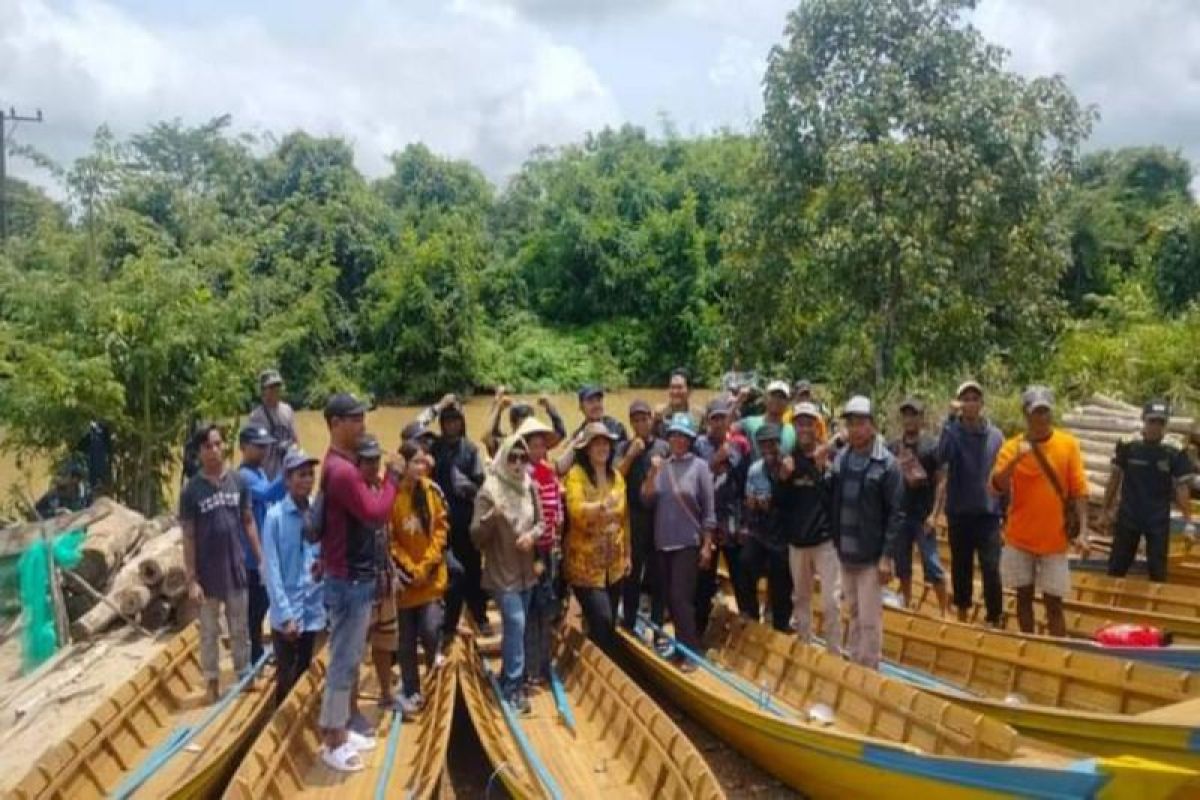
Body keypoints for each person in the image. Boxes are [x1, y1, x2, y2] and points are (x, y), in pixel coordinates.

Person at [317, 393, 401, 773]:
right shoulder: (342, 471)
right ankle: (332, 739)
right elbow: (375, 513)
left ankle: (340, 730)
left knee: (348, 661)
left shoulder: (342, 465)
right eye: (354, 419)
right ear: (335, 423)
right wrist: (394, 480)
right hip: (349, 581)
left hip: (352, 577)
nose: (362, 424)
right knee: (342, 663)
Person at [990, 387, 1089, 637]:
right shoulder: (1012, 447)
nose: (1042, 417)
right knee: (1023, 597)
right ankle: (1029, 643)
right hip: (1019, 538)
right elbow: (995, 486)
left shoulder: (1068, 445)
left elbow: (1079, 491)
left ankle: (1057, 648)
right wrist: (1016, 460)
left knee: (1054, 602)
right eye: (1037, 412)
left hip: (1055, 540)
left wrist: (1084, 532)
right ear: (1026, 414)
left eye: (1045, 410)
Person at [180, 424, 264, 704]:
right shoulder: (191, 491)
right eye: (207, 446)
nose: (214, 450)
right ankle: (212, 682)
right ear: (199, 452)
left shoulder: (238, 481)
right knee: (209, 632)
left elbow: (248, 521)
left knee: (240, 627)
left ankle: (244, 674)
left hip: (236, 568)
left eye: (218, 444)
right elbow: (189, 536)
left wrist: (261, 559)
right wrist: (191, 579)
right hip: (207, 575)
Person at [830, 396, 904, 669]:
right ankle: (855, 662)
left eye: (860, 423)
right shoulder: (841, 459)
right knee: (854, 613)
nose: (855, 429)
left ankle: (869, 667)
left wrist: (887, 557)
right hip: (846, 553)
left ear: (872, 426)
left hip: (871, 556)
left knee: (871, 620)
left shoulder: (887, 464)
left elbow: (896, 515)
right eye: (850, 423)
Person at [471, 434, 542, 713]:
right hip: (501, 573)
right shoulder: (489, 491)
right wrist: (492, 517)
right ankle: (513, 688)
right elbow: (475, 536)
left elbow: (542, 523)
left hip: (527, 572)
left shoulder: (530, 486)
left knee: (517, 629)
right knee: (516, 623)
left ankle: (506, 675)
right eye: (512, 457)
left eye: (522, 457)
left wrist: (532, 536)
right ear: (502, 458)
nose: (517, 463)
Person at [641, 414, 715, 668]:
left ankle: (691, 652)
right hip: (663, 543)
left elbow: (709, 511)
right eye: (674, 436)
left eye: (683, 436)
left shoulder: (700, 468)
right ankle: (681, 648)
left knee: (680, 597)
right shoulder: (663, 467)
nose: (678, 440)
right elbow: (647, 499)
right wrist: (652, 473)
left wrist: (707, 545)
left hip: (688, 543)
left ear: (690, 439)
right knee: (671, 600)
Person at [416, 395, 488, 638]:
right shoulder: (433, 447)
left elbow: (482, 487)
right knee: (445, 571)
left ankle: (479, 615)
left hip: (466, 518)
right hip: (438, 522)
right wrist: (437, 407)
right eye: (446, 420)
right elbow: (415, 428)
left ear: (462, 422)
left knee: (473, 568)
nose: (451, 425)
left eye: (455, 420)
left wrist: (467, 486)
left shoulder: (471, 449)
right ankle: (446, 619)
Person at [934, 381, 1005, 626]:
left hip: (988, 515)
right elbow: (941, 456)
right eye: (966, 398)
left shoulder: (996, 436)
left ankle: (994, 617)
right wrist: (948, 420)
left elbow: (1003, 474)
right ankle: (963, 614)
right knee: (961, 567)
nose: (971, 403)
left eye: (975, 398)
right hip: (960, 514)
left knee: (992, 568)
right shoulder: (953, 432)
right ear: (960, 404)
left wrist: (1006, 512)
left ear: (982, 404)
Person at [1102, 400, 1197, 582]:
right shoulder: (1128, 445)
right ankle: (1108, 604)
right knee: (1117, 565)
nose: (1155, 426)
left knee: (1158, 568)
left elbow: (1182, 487)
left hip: (1157, 517)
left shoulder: (1174, 450)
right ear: (1143, 420)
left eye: (1160, 422)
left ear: (1166, 425)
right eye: (1152, 421)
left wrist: (1188, 521)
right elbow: (1114, 478)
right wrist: (1105, 510)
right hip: (1129, 514)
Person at [261, 449, 325, 708]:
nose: (307, 480)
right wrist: (286, 615)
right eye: (300, 475)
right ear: (287, 480)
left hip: (312, 606)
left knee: (305, 669)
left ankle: (299, 720)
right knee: (286, 675)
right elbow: (272, 571)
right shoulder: (274, 517)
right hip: (287, 611)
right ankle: (280, 722)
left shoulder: (316, 513)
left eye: (310, 475)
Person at [390, 441, 449, 717]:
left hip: (431, 577)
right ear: (403, 464)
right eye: (415, 461)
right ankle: (412, 690)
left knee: (429, 627)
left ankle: (434, 675)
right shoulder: (391, 495)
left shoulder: (432, 491)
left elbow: (441, 531)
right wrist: (409, 569)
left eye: (423, 461)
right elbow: (389, 540)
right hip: (405, 582)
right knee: (406, 640)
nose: (420, 466)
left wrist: (425, 566)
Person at [564, 422, 630, 652]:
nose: (602, 448)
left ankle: (602, 653)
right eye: (596, 443)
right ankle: (599, 657)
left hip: (614, 564)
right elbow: (575, 511)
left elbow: (624, 519)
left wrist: (628, 555)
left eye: (606, 443)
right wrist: (601, 506)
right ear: (587, 449)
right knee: (602, 617)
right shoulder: (576, 475)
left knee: (609, 621)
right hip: (586, 566)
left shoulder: (617, 478)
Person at [356, 433, 406, 719]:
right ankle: (350, 710)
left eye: (376, 460)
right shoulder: (356, 492)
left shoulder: (380, 489)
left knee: (385, 642)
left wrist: (393, 571)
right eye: (368, 461)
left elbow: (384, 536)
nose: (373, 466)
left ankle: (386, 694)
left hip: (383, 579)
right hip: (360, 582)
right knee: (355, 648)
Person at [783, 402, 841, 652]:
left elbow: (834, 501)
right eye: (800, 423)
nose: (804, 428)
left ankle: (834, 651)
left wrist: (822, 470)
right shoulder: (789, 461)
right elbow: (780, 502)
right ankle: (805, 646)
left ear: (817, 427)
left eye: (809, 422)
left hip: (825, 541)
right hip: (797, 543)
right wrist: (783, 480)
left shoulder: (829, 460)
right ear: (794, 426)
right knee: (801, 599)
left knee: (831, 602)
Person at [887, 398, 949, 615]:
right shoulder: (893, 446)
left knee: (932, 564)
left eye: (914, 415)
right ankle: (907, 603)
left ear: (921, 418)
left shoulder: (932, 446)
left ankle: (944, 611)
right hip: (900, 515)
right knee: (902, 563)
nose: (910, 419)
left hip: (923, 516)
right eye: (906, 415)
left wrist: (934, 515)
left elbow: (941, 480)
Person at [691, 398, 749, 630]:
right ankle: (697, 632)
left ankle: (750, 624)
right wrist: (717, 458)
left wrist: (745, 523)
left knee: (741, 576)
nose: (718, 423)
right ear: (708, 421)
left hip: (731, 523)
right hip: (706, 525)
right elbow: (695, 476)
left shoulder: (739, 446)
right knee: (703, 583)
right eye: (714, 418)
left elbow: (744, 484)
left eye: (722, 418)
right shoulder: (698, 446)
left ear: (729, 420)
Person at [517, 417, 565, 688]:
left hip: (547, 551)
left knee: (544, 608)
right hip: (526, 553)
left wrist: (556, 528)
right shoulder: (521, 476)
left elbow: (557, 509)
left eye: (541, 446)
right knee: (528, 609)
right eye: (533, 445)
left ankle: (543, 665)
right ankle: (528, 668)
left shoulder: (548, 474)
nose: (538, 450)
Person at [616, 400, 670, 633]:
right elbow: (615, 477)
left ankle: (658, 626)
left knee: (659, 575)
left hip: (658, 518)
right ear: (631, 423)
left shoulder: (664, 447)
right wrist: (631, 455)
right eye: (635, 420)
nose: (640, 423)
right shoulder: (623, 447)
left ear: (651, 419)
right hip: (633, 519)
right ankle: (628, 622)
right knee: (632, 574)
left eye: (644, 418)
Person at [737, 423, 795, 632]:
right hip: (761, 529)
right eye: (763, 444)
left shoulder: (789, 466)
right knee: (743, 563)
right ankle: (751, 614)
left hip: (783, 533)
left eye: (772, 443)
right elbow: (749, 499)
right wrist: (753, 505)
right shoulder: (755, 470)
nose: (768, 448)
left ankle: (781, 625)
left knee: (781, 581)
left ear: (779, 444)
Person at [236, 426, 287, 665]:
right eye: (259, 446)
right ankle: (253, 656)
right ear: (244, 447)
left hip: (265, 550)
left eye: (266, 445)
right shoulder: (244, 477)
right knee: (255, 609)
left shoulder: (261, 472)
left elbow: (274, 498)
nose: (265, 450)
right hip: (251, 555)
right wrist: (287, 470)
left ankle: (256, 653)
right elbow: (267, 494)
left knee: (265, 604)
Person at [556, 386, 629, 475]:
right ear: (581, 407)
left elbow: (621, 462)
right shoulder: (579, 434)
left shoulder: (616, 428)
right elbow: (560, 469)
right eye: (590, 401)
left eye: (598, 400)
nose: (596, 405)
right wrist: (574, 443)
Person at [481, 387, 567, 458]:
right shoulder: (507, 445)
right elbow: (487, 437)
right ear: (513, 425)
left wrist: (549, 406)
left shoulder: (538, 441)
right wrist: (497, 407)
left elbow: (561, 433)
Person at [248, 369, 298, 481]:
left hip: (287, 474)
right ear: (262, 390)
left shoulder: (287, 410)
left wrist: (290, 449)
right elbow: (251, 452)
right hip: (266, 475)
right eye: (270, 387)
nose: (275, 390)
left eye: (277, 386)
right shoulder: (256, 417)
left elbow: (295, 441)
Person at [737, 380, 796, 458]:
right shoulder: (750, 422)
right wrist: (737, 402)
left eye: (782, 397)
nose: (777, 399)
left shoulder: (792, 431)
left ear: (787, 403)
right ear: (765, 398)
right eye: (773, 395)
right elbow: (726, 428)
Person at [653, 369, 704, 437]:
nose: (675, 392)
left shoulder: (699, 415)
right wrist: (654, 421)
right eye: (672, 387)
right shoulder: (659, 413)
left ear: (690, 390)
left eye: (679, 387)